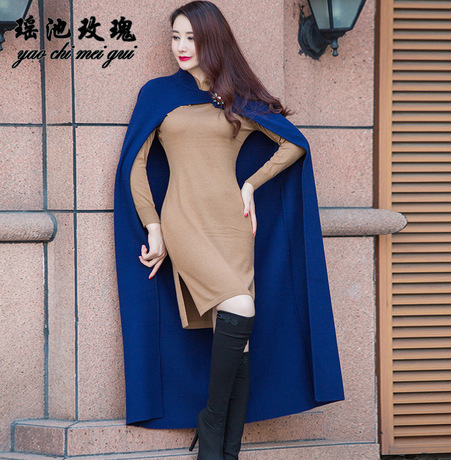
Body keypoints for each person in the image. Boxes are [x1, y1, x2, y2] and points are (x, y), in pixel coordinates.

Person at [114, 1, 344, 459]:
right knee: (240, 305)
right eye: (175, 37)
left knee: (239, 342)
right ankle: (211, 420)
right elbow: (134, 166)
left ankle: (224, 450)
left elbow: (293, 144)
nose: (181, 46)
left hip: (233, 225)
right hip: (183, 220)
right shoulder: (157, 93)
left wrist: (251, 185)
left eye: (191, 37)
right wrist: (154, 227)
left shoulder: (235, 97)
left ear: (213, 40)